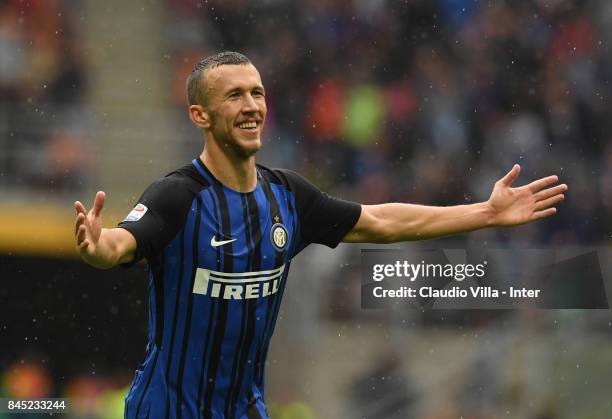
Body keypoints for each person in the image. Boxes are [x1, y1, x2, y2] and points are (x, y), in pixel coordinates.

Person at [73, 51, 567, 419]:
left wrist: (485, 212)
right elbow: (122, 243)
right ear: (200, 115)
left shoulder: (289, 197)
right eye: (234, 95)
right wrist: (98, 248)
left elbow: (384, 222)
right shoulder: (177, 196)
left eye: (257, 92)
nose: (251, 106)